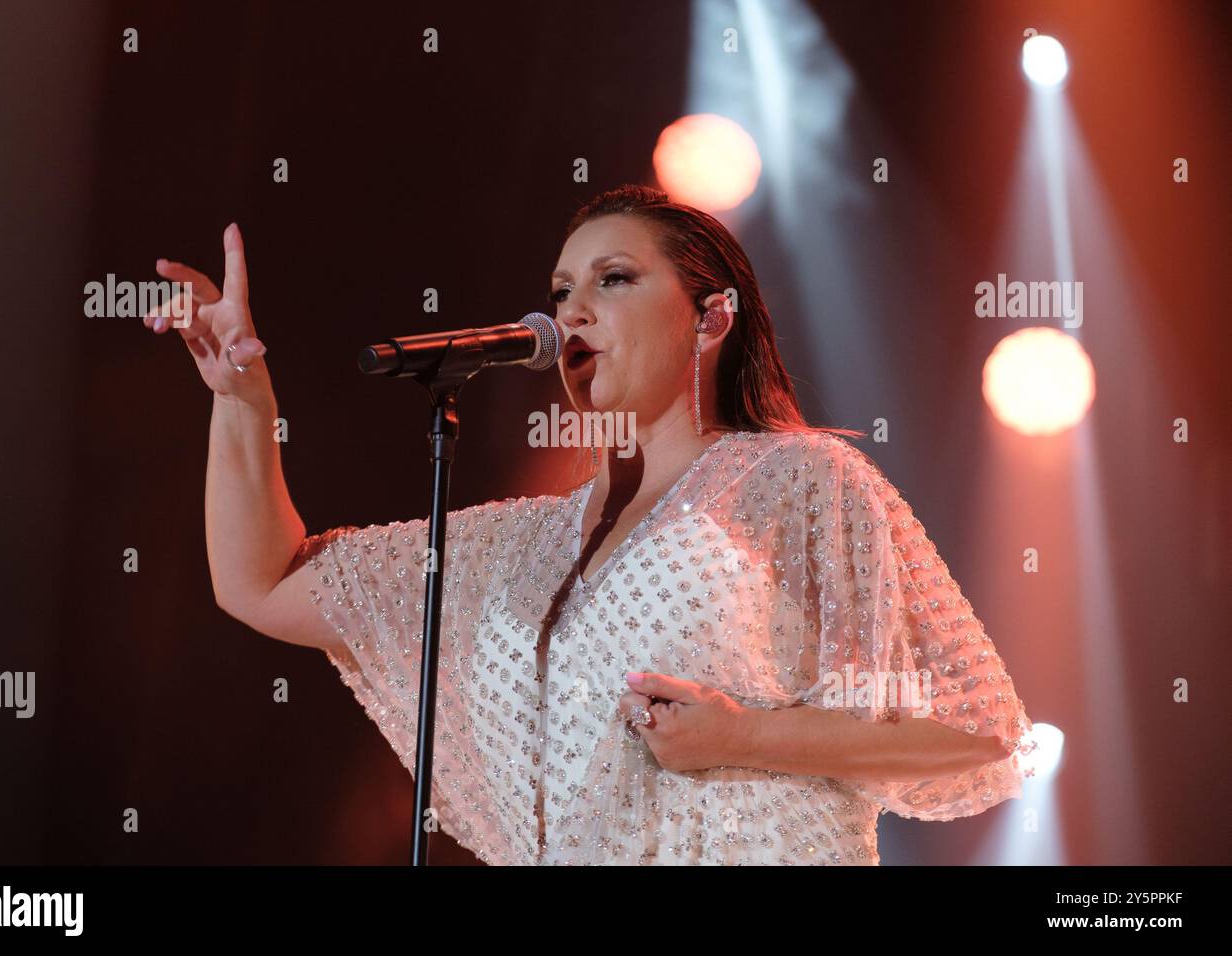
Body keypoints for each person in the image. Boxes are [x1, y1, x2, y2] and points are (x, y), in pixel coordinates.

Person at [143, 184, 1035, 865]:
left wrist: (741, 735)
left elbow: (974, 731)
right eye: (562, 290)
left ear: (710, 318)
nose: (570, 312)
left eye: (613, 281)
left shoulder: (796, 479)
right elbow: (260, 583)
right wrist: (242, 401)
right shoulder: (523, 544)